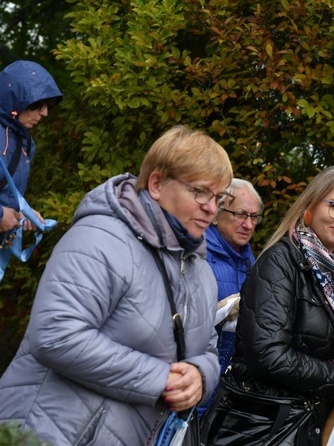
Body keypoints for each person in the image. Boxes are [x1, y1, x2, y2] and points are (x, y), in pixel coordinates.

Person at [0, 125, 232, 445]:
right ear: (156, 183)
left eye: (219, 197)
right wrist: (160, 379)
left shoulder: (200, 272)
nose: (212, 207)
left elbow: (206, 349)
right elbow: (56, 334)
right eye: (201, 192)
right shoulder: (101, 238)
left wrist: (200, 377)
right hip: (50, 433)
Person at [207, 164, 334, 446]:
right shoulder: (281, 261)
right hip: (259, 429)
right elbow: (269, 355)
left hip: (302, 426)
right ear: (310, 205)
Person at [206, 178, 263, 375]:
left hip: (225, 377)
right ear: (215, 215)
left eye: (254, 217)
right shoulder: (197, 254)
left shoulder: (249, 261)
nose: (248, 225)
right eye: (240, 215)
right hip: (189, 373)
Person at [0, 60, 62, 234]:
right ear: (16, 99)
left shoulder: (25, 142)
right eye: (38, 104)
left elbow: (6, 195)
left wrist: (22, 213)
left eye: (47, 106)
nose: (45, 113)